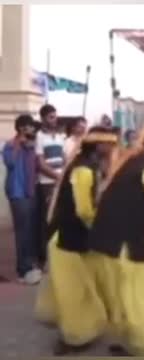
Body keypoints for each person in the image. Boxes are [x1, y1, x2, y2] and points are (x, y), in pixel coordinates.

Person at [85, 124, 144, 356]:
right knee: (140, 297)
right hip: (126, 244)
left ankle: (125, 340)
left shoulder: (129, 163)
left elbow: (132, 197)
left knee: (120, 296)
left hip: (103, 240)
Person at [34, 126, 118, 355]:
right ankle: (73, 337)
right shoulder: (83, 170)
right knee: (74, 292)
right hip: (70, 240)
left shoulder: (88, 166)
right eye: (110, 144)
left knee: (84, 288)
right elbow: (83, 211)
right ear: (99, 145)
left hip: (76, 239)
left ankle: (85, 329)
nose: (113, 149)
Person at [2, 115, 40, 284]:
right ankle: (22, 269)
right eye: (29, 127)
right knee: (22, 231)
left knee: (30, 229)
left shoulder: (30, 146)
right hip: (17, 193)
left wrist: (28, 145)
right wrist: (19, 142)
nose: (32, 130)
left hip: (30, 191)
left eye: (32, 127)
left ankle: (29, 264)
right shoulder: (10, 145)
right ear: (21, 128)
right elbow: (10, 163)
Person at [35, 104, 66, 269]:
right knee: (47, 221)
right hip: (47, 183)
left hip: (60, 182)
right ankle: (44, 258)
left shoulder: (60, 136)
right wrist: (56, 176)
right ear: (43, 119)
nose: (54, 120)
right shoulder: (39, 137)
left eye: (55, 116)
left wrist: (65, 175)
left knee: (59, 219)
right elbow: (40, 163)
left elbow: (64, 157)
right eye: (51, 117)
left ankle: (57, 256)